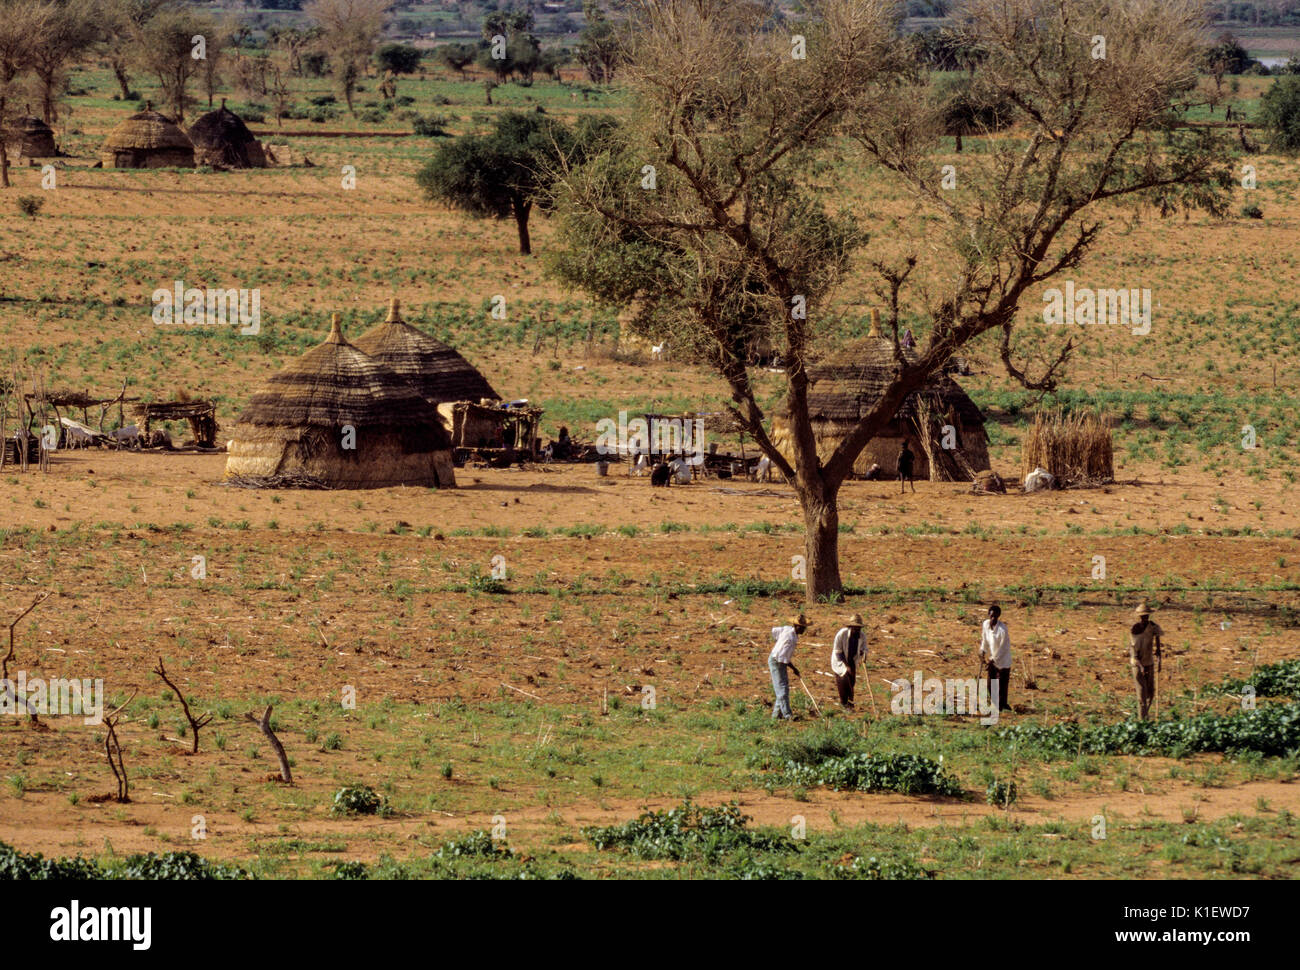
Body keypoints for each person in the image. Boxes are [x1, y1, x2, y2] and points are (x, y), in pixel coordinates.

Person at [769, 613, 807, 720]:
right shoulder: (789, 638)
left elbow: (775, 631)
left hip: (780, 660)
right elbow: (782, 657)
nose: (804, 630)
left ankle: (776, 716)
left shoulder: (788, 630)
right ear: (797, 626)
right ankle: (788, 715)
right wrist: (794, 669)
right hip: (777, 661)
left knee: (783, 688)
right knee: (782, 688)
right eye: (802, 628)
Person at [1129, 602, 1163, 720]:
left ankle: (1146, 716)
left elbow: (1157, 640)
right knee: (1142, 694)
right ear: (1139, 617)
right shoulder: (1135, 630)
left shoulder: (1152, 626)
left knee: (1151, 693)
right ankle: (1141, 720)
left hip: (1149, 663)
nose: (1144, 618)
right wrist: (1141, 668)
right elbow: (1134, 654)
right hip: (1138, 665)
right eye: (1142, 617)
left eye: (1146, 616)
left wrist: (1159, 658)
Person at [830, 613, 867, 710]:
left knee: (852, 681)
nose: (857, 630)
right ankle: (844, 703)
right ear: (850, 627)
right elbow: (838, 652)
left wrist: (864, 655)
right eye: (855, 628)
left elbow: (864, 648)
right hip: (840, 661)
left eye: (859, 628)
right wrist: (847, 666)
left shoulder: (862, 636)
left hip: (852, 659)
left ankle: (850, 703)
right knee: (843, 680)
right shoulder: (842, 634)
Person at [980, 604, 1012, 712]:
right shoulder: (985, 624)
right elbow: (984, 639)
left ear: (998, 616)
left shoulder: (1003, 630)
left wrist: (992, 659)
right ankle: (995, 704)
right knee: (990, 683)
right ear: (989, 615)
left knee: (1002, 685)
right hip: (992, 659)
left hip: (1003, 659)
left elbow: (1003, 648)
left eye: (995, 617)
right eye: (992, 616)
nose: (993, 618)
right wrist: (982, 651)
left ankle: (1002, 706)